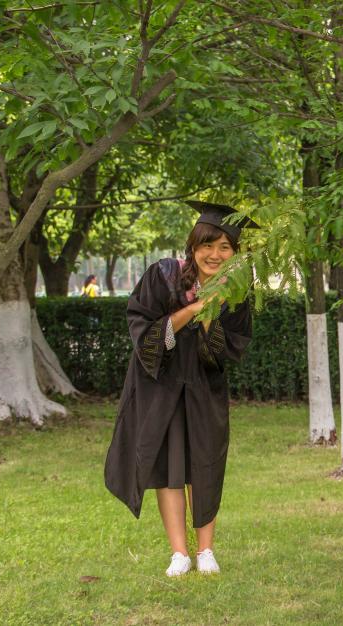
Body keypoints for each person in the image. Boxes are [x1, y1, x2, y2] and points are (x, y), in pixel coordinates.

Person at [105, 200, 256, 577]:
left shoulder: (238, 290)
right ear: (193, 246)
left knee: (206, 462)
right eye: (208, 245)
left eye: (225, 247)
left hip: (204, 384)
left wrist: (211, 317)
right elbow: (142, 328)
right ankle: (179, 554)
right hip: (161, 384)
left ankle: (205, 551)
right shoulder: (164, 276)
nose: (215, 254)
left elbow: (229, 349)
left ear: (235, 252)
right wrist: (195, 308)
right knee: (168, 466)